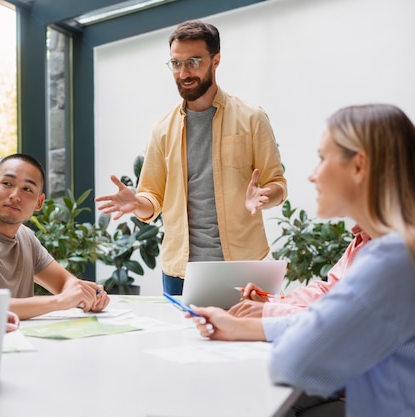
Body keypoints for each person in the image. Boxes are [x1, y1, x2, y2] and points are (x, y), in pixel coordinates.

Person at [188, 104, 415, 417]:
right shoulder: (390, 247)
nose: (312, 175)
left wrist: (256, 320)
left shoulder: (393, 260)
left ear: (359, 166)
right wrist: (242, 326)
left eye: (322, 159)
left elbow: (294, 362)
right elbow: (330, 311)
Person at [95, 20, 287, 295]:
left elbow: (278, 183)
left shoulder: (251, 118)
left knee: (249, 337)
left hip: (242, 266)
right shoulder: (162, 129)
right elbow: (152, 199)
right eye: (176, 63)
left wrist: (265, 194)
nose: (183, 72)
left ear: (216, 60)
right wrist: (137, 202)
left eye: (193, 62)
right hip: (180, 272)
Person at [0, 153, 110, 320]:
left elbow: (65, 282)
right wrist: (61, 302)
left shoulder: (25, 237)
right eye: (7, 184)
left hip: (19, 345)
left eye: (27, 189)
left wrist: (86, 294)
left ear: (39, 203)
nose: (15, 196)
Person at [229, 224, 371, 318]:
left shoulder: (386, 245)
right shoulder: (362, 237)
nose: (313, 178)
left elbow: (346, 316)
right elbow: (328, 292)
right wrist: (270, 303)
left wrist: (270, 312)